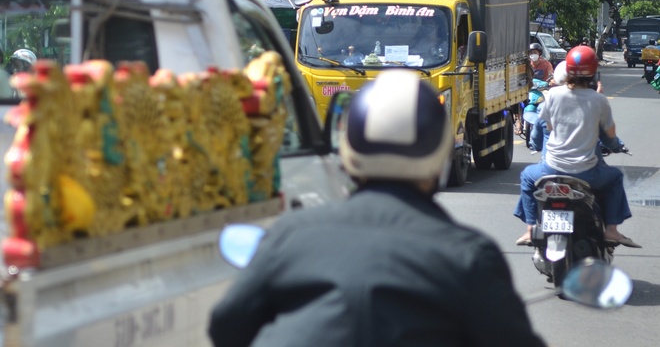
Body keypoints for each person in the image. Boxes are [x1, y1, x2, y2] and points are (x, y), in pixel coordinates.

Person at [209, 70, 547, 347]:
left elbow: (226, 326)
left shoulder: (290, 233)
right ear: (439, 155)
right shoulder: (469, 256)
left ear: (349, 150)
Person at [514, 46, 641, 249]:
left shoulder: (553, 96)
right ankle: (611, 230)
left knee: (527, 177)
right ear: (593, 72)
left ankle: (530, 230)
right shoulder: (599, 100)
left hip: (551, 168)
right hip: (587, 173)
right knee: (615, 177)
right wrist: (617, 146)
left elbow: (541, 126)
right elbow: (609, 138)